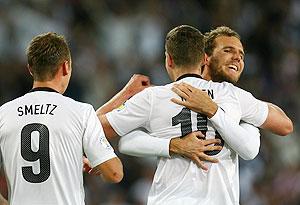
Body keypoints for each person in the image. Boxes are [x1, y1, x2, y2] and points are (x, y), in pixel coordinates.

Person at [95, 25, 276, 204]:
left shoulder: (153, 96)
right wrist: (244, 121)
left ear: (169, 60)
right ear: (205, 60)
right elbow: (284, 125)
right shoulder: (232, 94)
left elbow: (93, 128)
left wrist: (124, 95)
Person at [118, 26, 293, 164]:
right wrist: (173, 145)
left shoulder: (236, 98)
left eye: (241, 54)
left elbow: (284, 126)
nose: (237, 58)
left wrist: (221, 110)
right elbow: (126, 140)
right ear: (205, 58)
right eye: (228, 50)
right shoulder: (166, 94)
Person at [0, 32, 123, 205]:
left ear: (30, 69)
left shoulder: (4, 113)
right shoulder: (82, 112)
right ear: (66, 66)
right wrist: (101, 163)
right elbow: (114, 173)